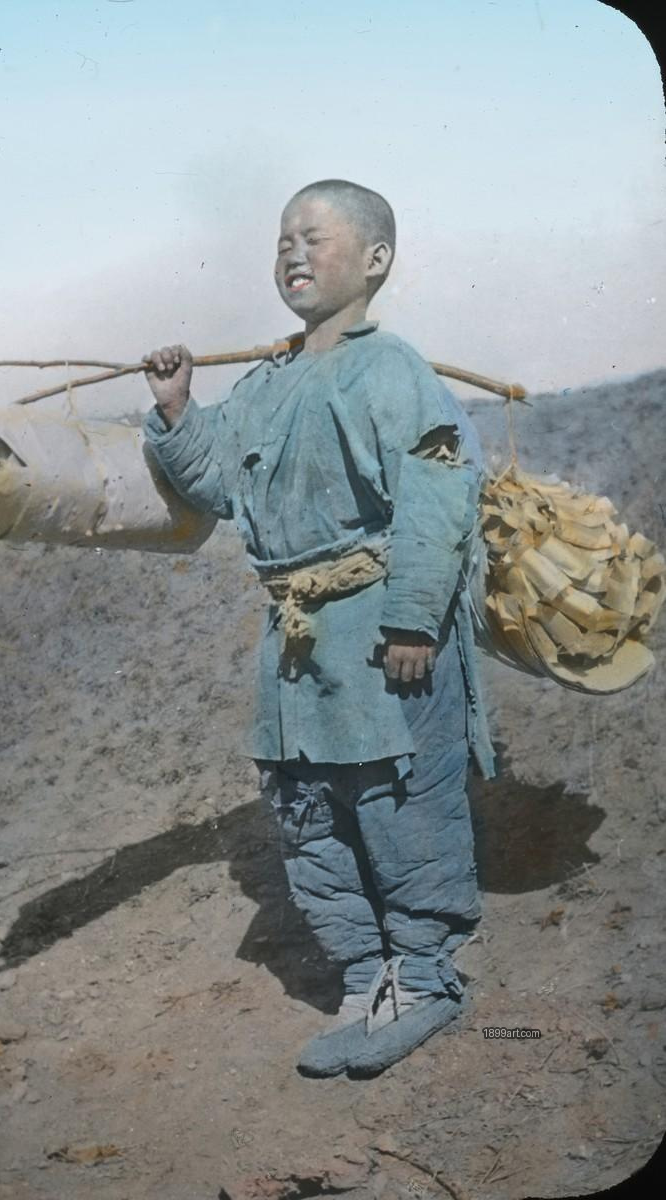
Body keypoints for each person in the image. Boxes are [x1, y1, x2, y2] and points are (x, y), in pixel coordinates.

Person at [140, 179, 495, 1079]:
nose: (291, 253)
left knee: (398, 803)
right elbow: (218, 486)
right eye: (281, 240)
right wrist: (180, 410)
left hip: (381, 632)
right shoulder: (268, 381)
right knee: (307, 810)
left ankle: (423, 980)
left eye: (314, 237)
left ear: (374, 260)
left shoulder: (392, 370)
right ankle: (363, 976)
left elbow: (436, 493)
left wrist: (415, 617)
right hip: (296, 647)